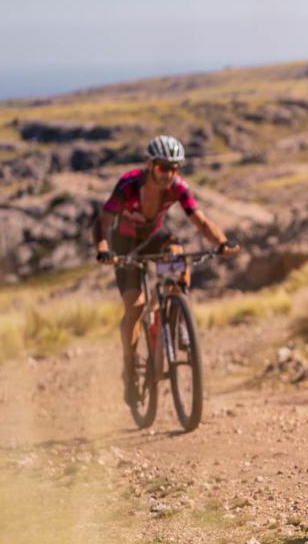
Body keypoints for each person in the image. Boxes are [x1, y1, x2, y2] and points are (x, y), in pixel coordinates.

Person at [92, 135, 239, 403]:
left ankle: (178, 315)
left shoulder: (178, 187)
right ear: (150, 165)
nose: (168, 174)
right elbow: (102, 222)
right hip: (125, 243)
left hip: (154, 237)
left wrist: (222, 242)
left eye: (174, 168)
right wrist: (104, 249)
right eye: (163, 167)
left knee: (178, 254)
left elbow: (201, 221)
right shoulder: (128, 185)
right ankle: (130, 367)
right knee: (135, 306)